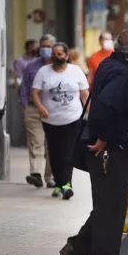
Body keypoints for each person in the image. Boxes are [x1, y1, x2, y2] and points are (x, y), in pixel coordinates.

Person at [60, 28, 128, 255]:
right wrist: (103, 138)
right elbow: (103, 108)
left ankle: (78, 248)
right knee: (111, 210)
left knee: (108, 207)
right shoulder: (123, 75)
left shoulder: (110, 64)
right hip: (110, 151)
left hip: (109, 148)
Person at [31, 42, 89, 199]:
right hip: (50, 120)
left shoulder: (76, 71)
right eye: (54, 54)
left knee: (68, 153)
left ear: (67, 55)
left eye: (60, 54)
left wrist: (89, 113)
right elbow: (35, 92)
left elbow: (84, 94)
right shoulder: (44, 72)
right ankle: (58, 184)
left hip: (72, 118)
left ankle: (66, 185)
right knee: (54, 153)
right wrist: (40, 107)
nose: (57, 57)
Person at [21, 35, 56, 189]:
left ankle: (51, 177)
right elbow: (24, 87)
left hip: (53, 111)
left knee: (52, 145)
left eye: (48, 46)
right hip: (33, 109)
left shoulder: (59, 65)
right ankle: (36, 173)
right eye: (43, 46)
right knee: (37, 141)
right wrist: (24, 105)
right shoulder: (32, 65)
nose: (45, 49)